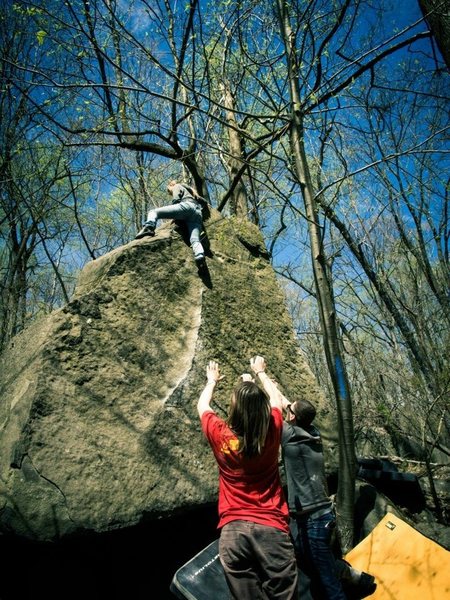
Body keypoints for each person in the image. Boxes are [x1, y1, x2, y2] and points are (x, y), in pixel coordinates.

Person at [197, 356, 298, 599]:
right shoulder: (272, 429)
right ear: (261, 409)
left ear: (233, 408)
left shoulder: (221, 436)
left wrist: (211, 381)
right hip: (271, 529)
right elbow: (274, 400)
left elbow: (202, 406)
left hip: (233, 535)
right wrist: (259, 374)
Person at [280, 395, 376, 600]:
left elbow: (273, 405)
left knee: (328, 582)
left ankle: (353, 581)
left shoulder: (289, 436)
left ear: (292, 417)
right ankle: (356, 577)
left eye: (289, 409)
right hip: (317, 516)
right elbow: (286, 404)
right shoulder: (313, 433)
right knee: (311, 557)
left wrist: (259, 375)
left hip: (313, 520)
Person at [135, 180, 205, 266]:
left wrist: (175, 215)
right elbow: (204, 202)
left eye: (169, 191)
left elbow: (176, 199)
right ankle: (200, 256)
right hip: (197, 214)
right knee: (194, 239)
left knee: (153, 212)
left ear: (171, 186)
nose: (170, 193)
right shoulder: (192, 192)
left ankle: (149, 227)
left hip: (187, 207)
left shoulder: (177, 186)